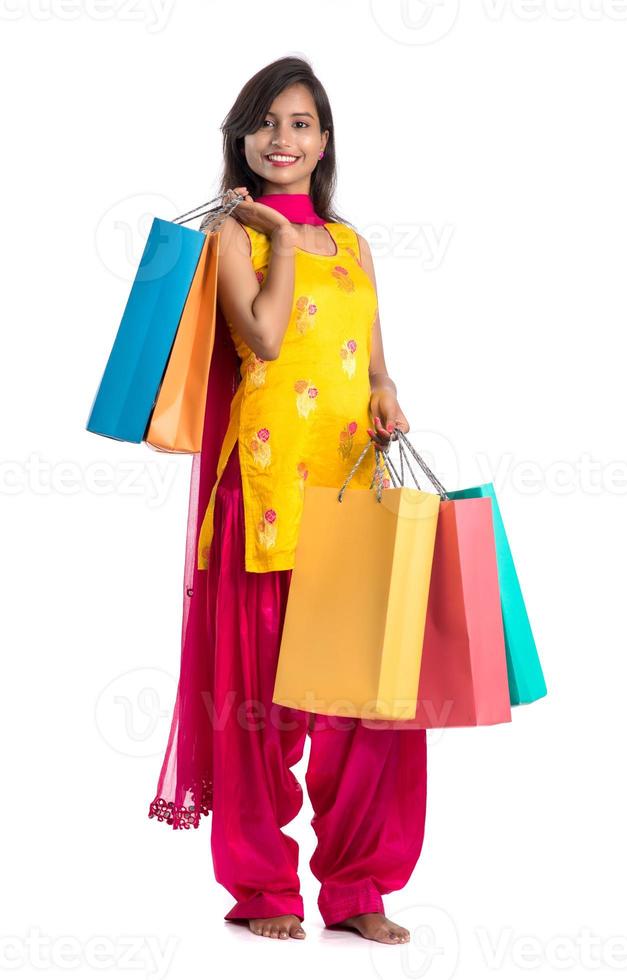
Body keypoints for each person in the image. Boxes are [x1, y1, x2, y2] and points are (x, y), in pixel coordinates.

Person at [149, 56, 428, 945]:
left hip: (351, 492)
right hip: (265, 496)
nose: (283, 139)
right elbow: (263, 337)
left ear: (325, 140)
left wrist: (386, 395)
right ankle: (263, 886)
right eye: (267, 122)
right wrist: (269, 229)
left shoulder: (354, 245)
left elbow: (374, 361)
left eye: (301, 123)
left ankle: (359, 888)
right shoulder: (236, 237)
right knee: (261, 704)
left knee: (363, 707)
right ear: (242, 137)